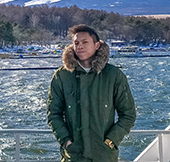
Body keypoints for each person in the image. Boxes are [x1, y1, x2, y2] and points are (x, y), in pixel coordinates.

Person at [47, 24, 136, 162]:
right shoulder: (62, 76)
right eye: (76, 43)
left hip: (104, 155)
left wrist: (111, 141)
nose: (80, 46)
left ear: (96, 45)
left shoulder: (113, 75)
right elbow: (53, 114)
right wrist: (66, 141)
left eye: (85, 42)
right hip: (73, 156)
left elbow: (128, 114)